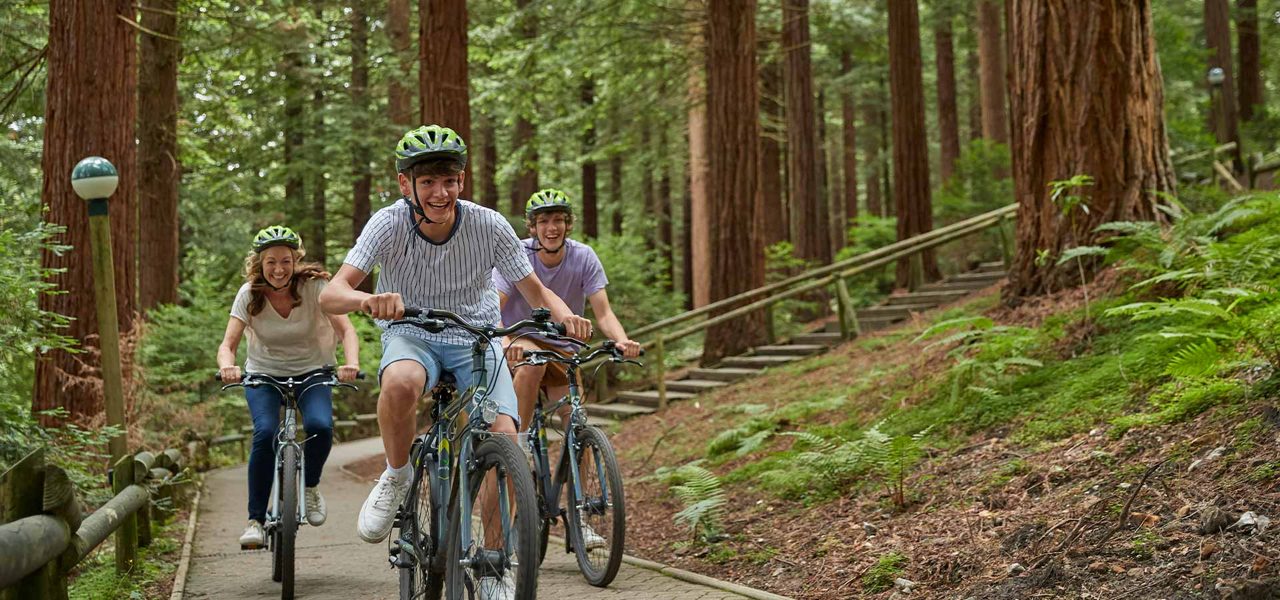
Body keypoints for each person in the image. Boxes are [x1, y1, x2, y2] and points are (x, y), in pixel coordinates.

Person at [317, 125, 591, 557]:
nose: (440, 193)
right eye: (427, 182)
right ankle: (397, 473)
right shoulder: (387, 224)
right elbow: (332, 294)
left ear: (461, 181)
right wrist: (369, 299)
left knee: (506, 441)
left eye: (449, 180)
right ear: (405, 184)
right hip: (412, 332)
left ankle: (495, 559)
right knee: (400, 383)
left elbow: (534, 290)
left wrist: (566, 316)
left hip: (477, 336)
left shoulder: (489, 225)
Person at [496, 189, 642, 551]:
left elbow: (603, 312)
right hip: (521, 339)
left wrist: (622, 340)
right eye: (543, 221)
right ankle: (523, 442)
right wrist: (498, 340)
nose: (551, 227)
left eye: (558, 219)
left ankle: (579, 519)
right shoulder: (517, 255)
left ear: (568, 224)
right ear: (531, 227)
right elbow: (495, 305)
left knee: (577, 424)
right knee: (532, 364)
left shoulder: (583, 257)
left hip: (564, 348)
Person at [216, 226, 361, 549]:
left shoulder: (316, 287)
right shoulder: (249, 294)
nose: (279, 269)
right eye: (270, 262)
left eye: (285, 261)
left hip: (313, 371)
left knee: (321, 427)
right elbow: (228, 344)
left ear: (296, 260)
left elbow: (347, 331)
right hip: (264, 374)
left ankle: (309, 487)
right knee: (265, 433)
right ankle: (255, 519)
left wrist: (350, 363)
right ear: (259, 263)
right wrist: (227, 366)